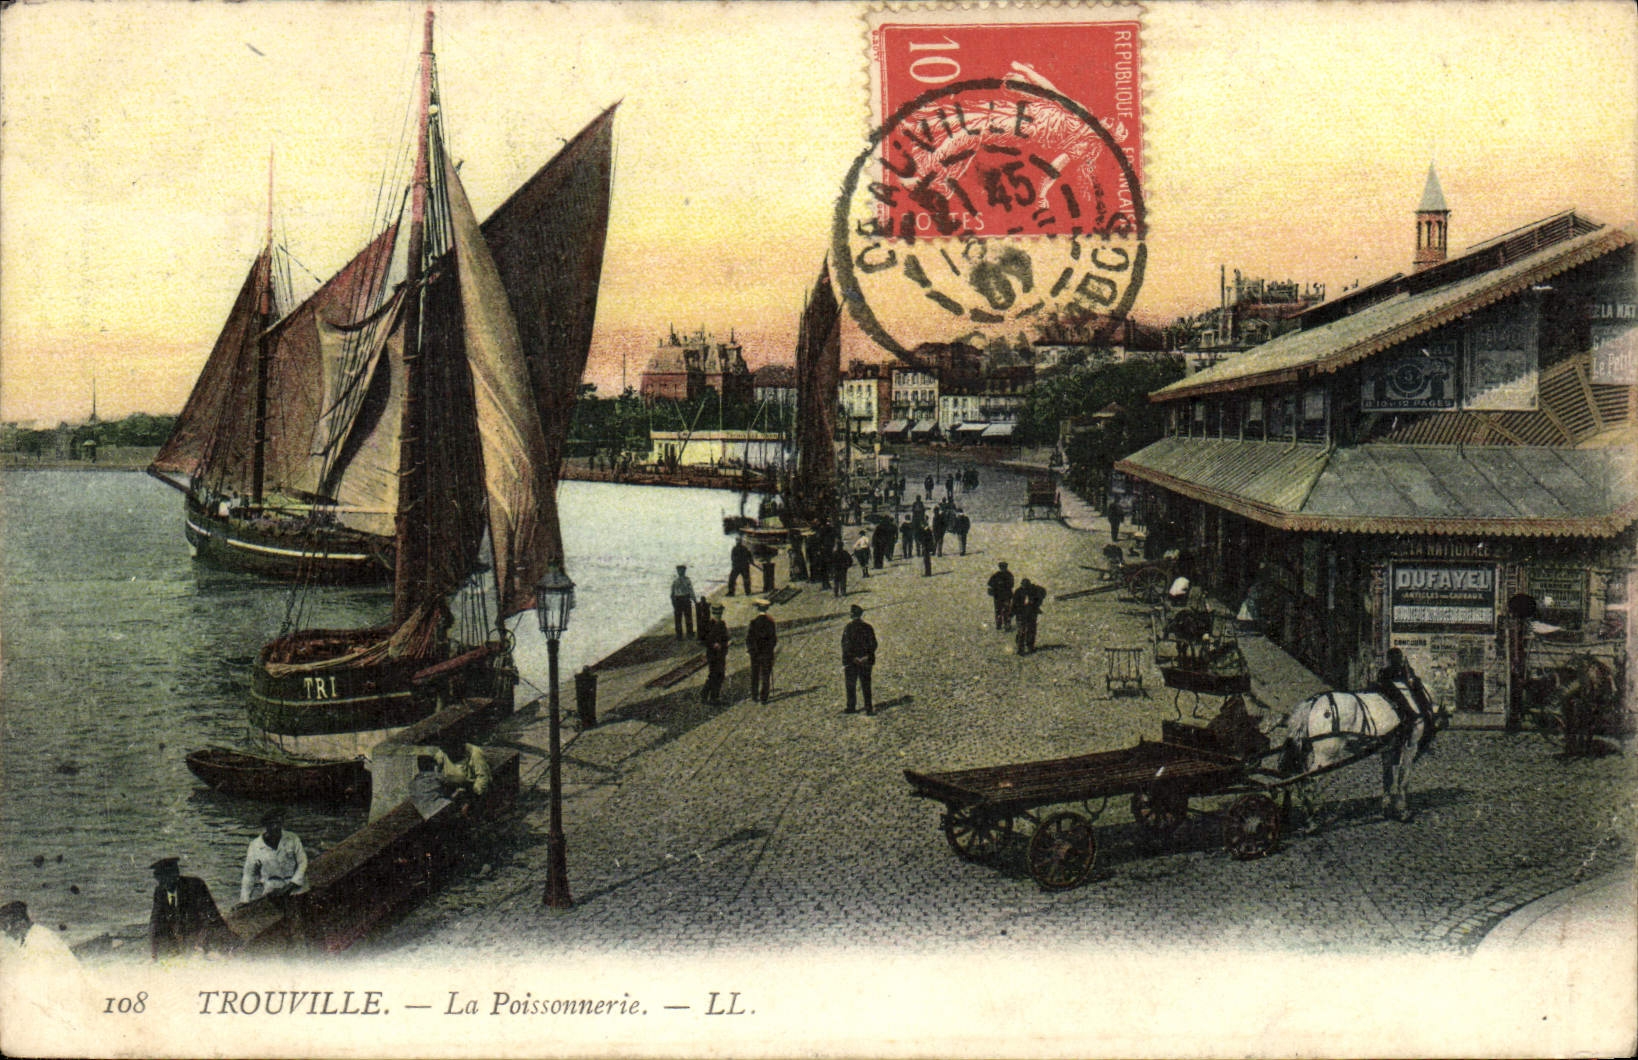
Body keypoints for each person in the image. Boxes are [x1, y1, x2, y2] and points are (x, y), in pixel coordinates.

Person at [149, 857, 237, 960]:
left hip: (204, 937)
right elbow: (155, 924)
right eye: (161, 879)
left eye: (171, 875)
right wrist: (155, 954)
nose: (166, 883)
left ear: (177, 874)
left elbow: (211, 919)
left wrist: (200, 946)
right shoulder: (160, 892)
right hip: (183, 940)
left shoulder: (195, 886)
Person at [239, 808, 308, 906]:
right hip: (273, 892)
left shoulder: (292, 838)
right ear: (266, 825)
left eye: (278, 823)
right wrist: (244, 900)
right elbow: (249, 875)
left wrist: (292, 884)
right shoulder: (255, 846)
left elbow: (302, 862)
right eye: (271, 824)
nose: (276, 827)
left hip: (296, 889)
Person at [841, 603, 877, 715]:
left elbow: (845, 645)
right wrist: (866, 656)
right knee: (866, 685)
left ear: (852, 615)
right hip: (865, 661)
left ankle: (851, 707)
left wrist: (853, 658)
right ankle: (868, 708)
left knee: (851, 684)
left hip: (852, 662)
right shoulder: (868, 627)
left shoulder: (848, 628)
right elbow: (873, 644)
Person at [746, 599, 777, 703]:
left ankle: (754, 696)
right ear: (767, 609)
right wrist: (770, 650)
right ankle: (764, 697)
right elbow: (773, 639)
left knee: (755, 674)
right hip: (766, 654)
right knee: (765, 675)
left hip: (755, 654)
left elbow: (749, 639)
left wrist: (751, 650)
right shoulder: (770, 623)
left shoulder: (753, 623)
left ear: (758, 609)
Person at [701, 603, 730, 704]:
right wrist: (713, 644)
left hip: (721, 654)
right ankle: (712, 696)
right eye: (717, 614)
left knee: (719, 675)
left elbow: (725, 638)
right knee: (715, 675)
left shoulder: (722, 624)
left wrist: (725, 643)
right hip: (713, 654)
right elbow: (704, 640)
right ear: (713, 613)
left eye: (720, 614)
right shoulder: (709, 625)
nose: (718, 616)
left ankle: (707, 694)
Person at [1012, 577, 1046, 654]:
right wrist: (1012, 613)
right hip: (1021, 614)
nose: (1025, 587)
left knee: (1031, 630)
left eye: (1027, 586)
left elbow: (1043, 592)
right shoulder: (1018, 592)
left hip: (1031, 614)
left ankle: (1030, 646)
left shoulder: (1034, 590)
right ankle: (1020, 648)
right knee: (1022, 631)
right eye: (1024, 586)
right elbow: (1014, 604)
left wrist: (1036, 602)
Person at [670, 564, 696, 640]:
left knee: (684, 617)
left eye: (681, 570)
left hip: (682, 599)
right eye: (679, 570)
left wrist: (694, 599)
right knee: (682, 617)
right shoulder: (681, 580)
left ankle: (683, 634)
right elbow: (672, 593)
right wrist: (694, 600)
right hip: (682, 599)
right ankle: (685, 634)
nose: (680, 572)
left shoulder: (677, 580)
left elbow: (691, 591)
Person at [987, 561, 1015, 630]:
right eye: (1001, 567)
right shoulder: (997, 575)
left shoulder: (1009, 575)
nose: (1002, 569)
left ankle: (1007, 624)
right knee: (998, 610)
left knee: (1006, 610)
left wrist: (1001, 584)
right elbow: (990, 583)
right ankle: (999, 624)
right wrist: (996, 586)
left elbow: (1011, 584)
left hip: (1006, 596)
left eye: (1004, 567)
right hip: (998, 596)